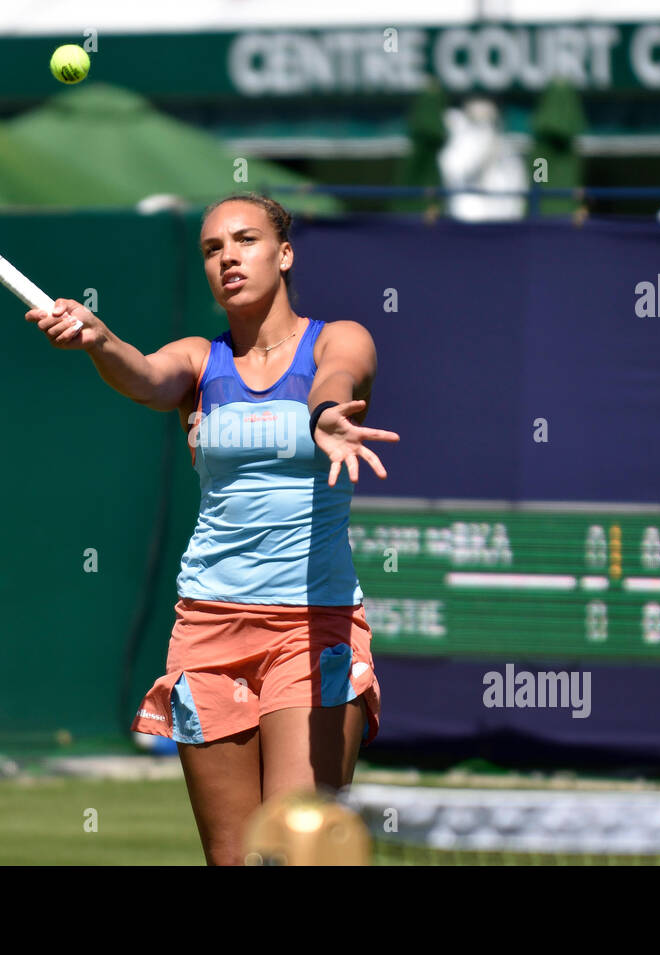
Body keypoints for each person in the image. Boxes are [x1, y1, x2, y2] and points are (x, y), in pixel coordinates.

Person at [25, 192, 398, 865]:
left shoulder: (338, 338)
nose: (227, 256)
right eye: (211, 248)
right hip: (208, 628)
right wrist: (100, 339)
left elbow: (336, 378)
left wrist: (326, 417)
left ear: (284, 254)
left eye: (246, 240)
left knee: (300, 849)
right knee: (234, 859)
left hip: (310, 627)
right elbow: (144, 376)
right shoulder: (201, 361)